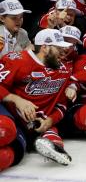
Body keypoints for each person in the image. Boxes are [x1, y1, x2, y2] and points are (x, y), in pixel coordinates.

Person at [0, 29, 73, 170]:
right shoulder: (16, 60)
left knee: (9, 156)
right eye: (59, 48)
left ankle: (53, 144)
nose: (63, 53)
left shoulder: (64, 71)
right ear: (45, 48)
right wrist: (16, 99)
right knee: (4, 130)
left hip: (29, 128)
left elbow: (62, 105)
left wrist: (50, 120)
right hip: (9, 115)